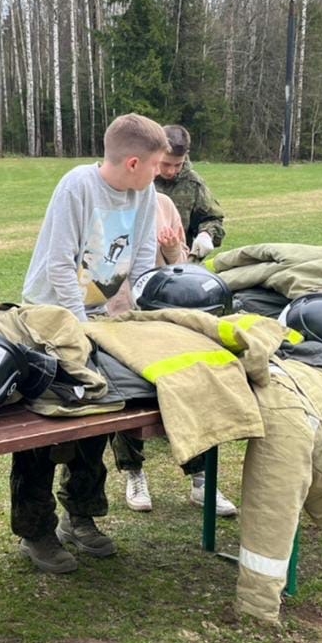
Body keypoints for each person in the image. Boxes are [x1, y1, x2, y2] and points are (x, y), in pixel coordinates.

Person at [15, 113, 165, 574]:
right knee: (45, 427)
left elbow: (140, 258)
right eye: (157, 165)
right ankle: (36, 529)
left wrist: (131, 313)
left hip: (102, 320)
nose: (161, 172)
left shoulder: (147, 194)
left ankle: (80, 516)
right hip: (49, 319)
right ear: (134, 161)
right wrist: (80, 330)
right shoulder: (77, 186)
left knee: (100, 417)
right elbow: (60, 265)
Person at [112, 133, 239, 518]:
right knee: (129, 395)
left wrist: (177, 249)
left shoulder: (168, 201)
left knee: (192, 386)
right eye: (159, 166)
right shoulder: (112, 202)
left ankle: (201, 480)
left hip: (166, 312)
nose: (164, 174)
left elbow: (179, 264)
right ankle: (134, 472)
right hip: (123, 315)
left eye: (170, 167)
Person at [154, 125, 225, 261]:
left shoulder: (193, 183)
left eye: (177, 165)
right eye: (166, 164)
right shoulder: (142, 177)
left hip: (179, 261)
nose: (170, 171)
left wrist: (206, 234)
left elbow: (213, 219)